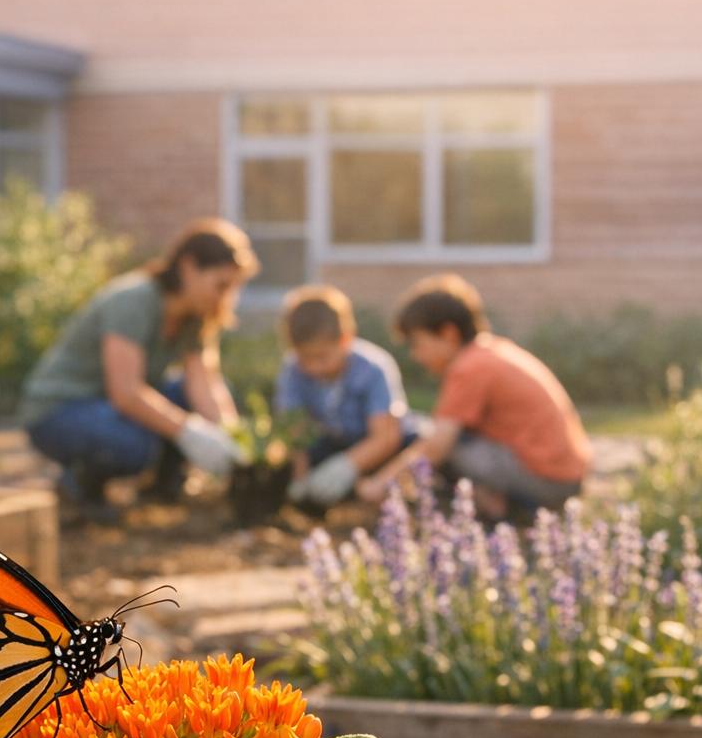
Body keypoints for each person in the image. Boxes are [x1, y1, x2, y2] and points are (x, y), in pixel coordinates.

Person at [20, 218, 258, 523]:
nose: (226, 298)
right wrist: (190, 432)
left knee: (180, 397)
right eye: (221, 285)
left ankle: (160, 489)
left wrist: (229, 438)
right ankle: (79, 485)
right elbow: (125, 393)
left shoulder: (196, 317)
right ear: (188, 267)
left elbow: (203, 384)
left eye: (233, 288)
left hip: (105, 406)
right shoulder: (134, 300)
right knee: (135, 444)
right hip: (57, 411)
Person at [358, 273, 591, 518]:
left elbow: (436, 447)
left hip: (547, 482)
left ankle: (504, 507)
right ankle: (494, 500)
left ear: (448, 334)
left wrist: (379, 485)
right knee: (440, 435)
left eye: (417, 343)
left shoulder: (469, 367)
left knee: (426, 439)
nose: (415, 355)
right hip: (567, 476)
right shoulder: (491, 351)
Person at [274, 284, 410, 508]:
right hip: (330, 443)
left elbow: (386, 437)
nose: (313, 367)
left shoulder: (373, 368)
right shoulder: (293, 370)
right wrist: (300, 478)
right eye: (304, 358)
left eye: (321, 357)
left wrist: (347, 465)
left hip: (375, 446)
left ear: (345, 340)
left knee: (414, 442)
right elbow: (294, 427)